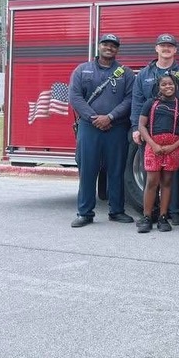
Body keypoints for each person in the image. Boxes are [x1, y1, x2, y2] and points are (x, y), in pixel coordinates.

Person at [69, 33, 136, 227]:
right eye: (106, 44)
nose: (109, 48)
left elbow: (130, 99)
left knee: (116, 170)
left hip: (116, 127)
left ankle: (116, 211)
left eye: (113, 45)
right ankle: (85, 213)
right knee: (88, 170)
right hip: (89, 128)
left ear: (117, 50)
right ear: (99, 46)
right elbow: (75, 97)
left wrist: (110, 117)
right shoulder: (82, 70)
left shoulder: (126, 73)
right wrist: (93, 118)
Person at [130, 33, 179, 222]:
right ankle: (149, 214)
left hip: (176, 135)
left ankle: (173, 212)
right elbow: (137, 101)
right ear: (156, 48)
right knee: (151, 177)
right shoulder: (144, 74)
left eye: (170, 46)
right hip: (150, 134)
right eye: (162, 45)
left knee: (172, 176)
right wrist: (136, 127)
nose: (166, 49)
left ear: (175, 50)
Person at [136, 76, 179, 233]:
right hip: (153, 145)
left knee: (167, 181)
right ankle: (147, 216)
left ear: (175, 86)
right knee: (152, 180)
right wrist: (153, 144)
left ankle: (162, 217)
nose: (168, 86)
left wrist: (174, 146)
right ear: (158, 87)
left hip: (173, 147)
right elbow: (141, 125)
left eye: (171, 84)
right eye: (164, 84)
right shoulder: (150, 103)